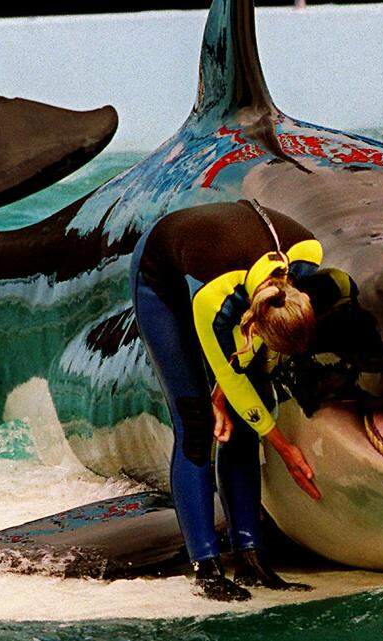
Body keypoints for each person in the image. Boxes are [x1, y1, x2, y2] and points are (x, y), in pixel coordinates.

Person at [129, 199, 323, 601]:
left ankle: (249, 556)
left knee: (242, 419)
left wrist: (236, 393)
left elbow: (249, 364)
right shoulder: (213, 300)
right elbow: (229, 369)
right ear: (253, 324)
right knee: (197, 423)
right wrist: (286, 450)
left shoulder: (308, 261)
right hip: (160, 277)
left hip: (245, 278)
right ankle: (206, 566)